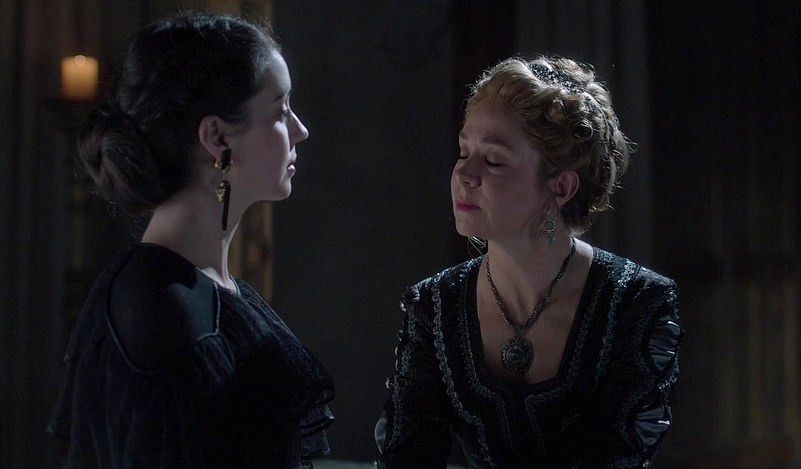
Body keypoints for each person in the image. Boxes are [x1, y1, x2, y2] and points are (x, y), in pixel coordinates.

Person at [47, 12, 334, 468]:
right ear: (216, 136)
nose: (300, 129)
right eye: (280, 111)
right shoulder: (162, 311)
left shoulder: (207, 289)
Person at [375, 56, 682, 468]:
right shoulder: (434, 305)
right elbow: (407, 456)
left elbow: (619, 456)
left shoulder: (637, 303)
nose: (464, 174)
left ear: (560, 187)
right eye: (463, 152)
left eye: (494, 160)